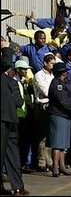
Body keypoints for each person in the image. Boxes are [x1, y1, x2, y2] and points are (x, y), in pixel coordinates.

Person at [1, 48, 29, 196]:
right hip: (7, 119)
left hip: (9, 120)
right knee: (10, 154)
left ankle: (18, 187)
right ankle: (17, 187)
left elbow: (19, 102)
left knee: (11, 154)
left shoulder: (9, 81)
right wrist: (7, 49)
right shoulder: (9, 80)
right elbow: (18, 102)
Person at [47, 62, 71, 177]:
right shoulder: (56, 83)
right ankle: (55, 167)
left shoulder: (67, 82)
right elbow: (62, 101)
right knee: (57, 142)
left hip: (66, 115)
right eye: (63, 71)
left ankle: (62, 166)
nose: (65, 73)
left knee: (63, 143)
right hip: (58, 114)